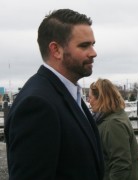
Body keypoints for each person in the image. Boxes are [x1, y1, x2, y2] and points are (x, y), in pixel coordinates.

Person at [4, 9, 104, 180]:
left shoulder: (68, 93)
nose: (93, 52)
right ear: (56, 50)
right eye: (84, 45)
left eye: (93, 44)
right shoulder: (37, 104)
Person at [88, 78, 138, 180]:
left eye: (90, 97)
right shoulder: (115, 116)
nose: (89, 101)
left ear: (100, 99)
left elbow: (121, 163)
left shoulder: (113, 123)